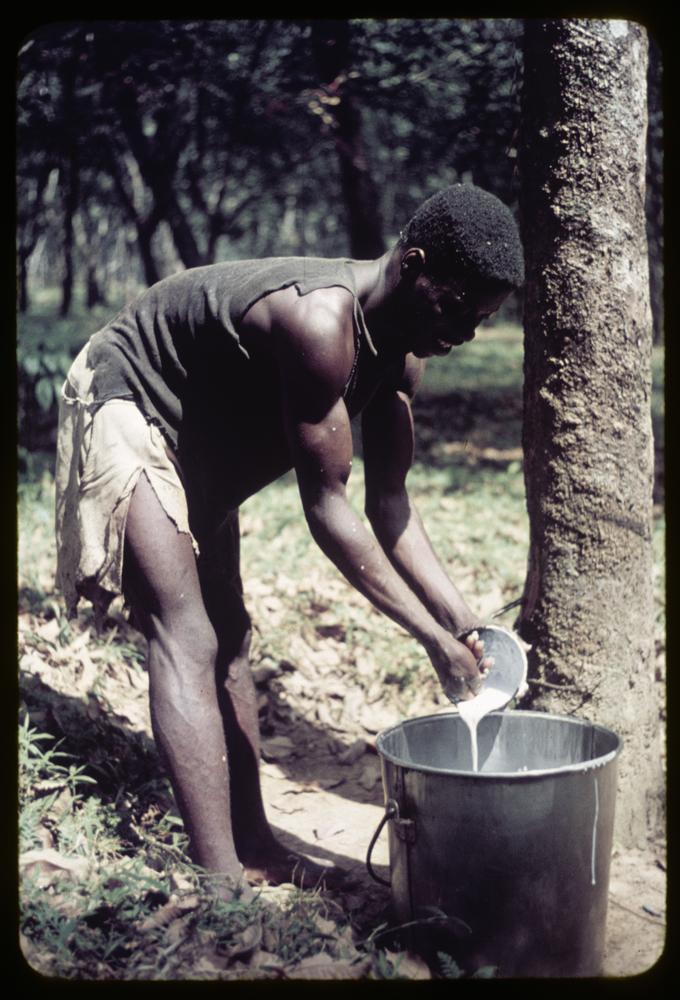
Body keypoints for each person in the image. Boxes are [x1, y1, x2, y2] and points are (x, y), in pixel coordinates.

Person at [55, 183, 524, 908]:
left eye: (483, 318)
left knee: (232, 637)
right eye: (456, 306)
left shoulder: (403, 356)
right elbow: (330, 511)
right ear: (415, 263)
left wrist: (465, 624)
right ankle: (219, 889)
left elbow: (391, 506)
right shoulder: (319, 319)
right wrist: (430, 638)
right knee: (187, 635)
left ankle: (259, 850)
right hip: (131, 396)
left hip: (201, 435)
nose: (464, 330)